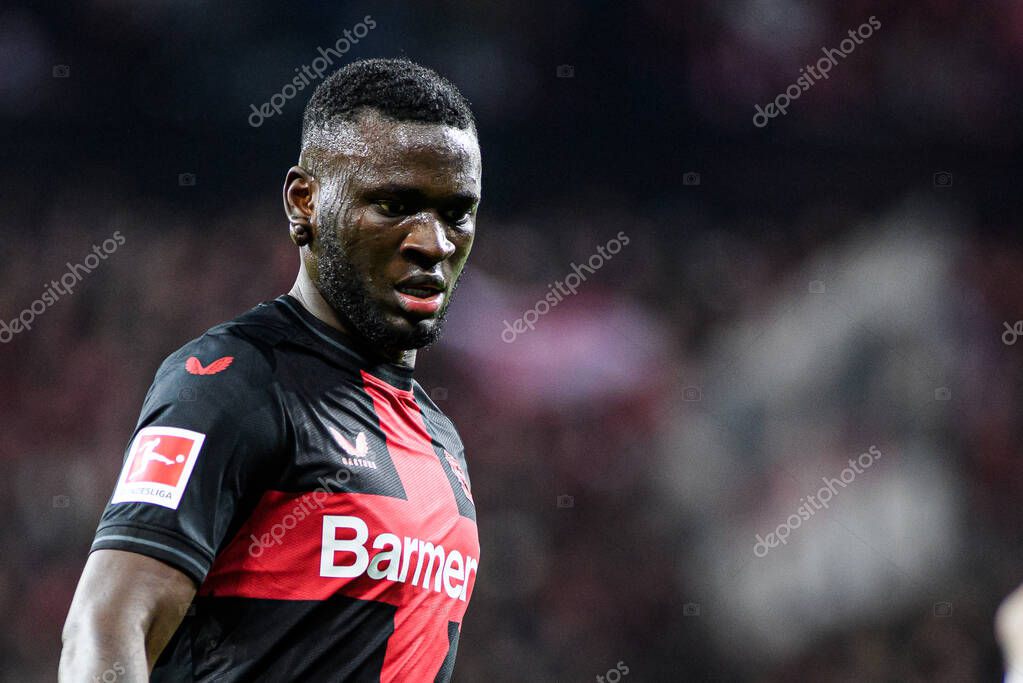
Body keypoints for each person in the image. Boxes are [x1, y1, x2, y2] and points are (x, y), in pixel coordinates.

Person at [59, 57, 482, 682]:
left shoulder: (440, 440)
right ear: (304, 202)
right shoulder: (232, 381)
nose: (434, 242)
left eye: (457, 213)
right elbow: (105, 626)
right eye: (394, 204)